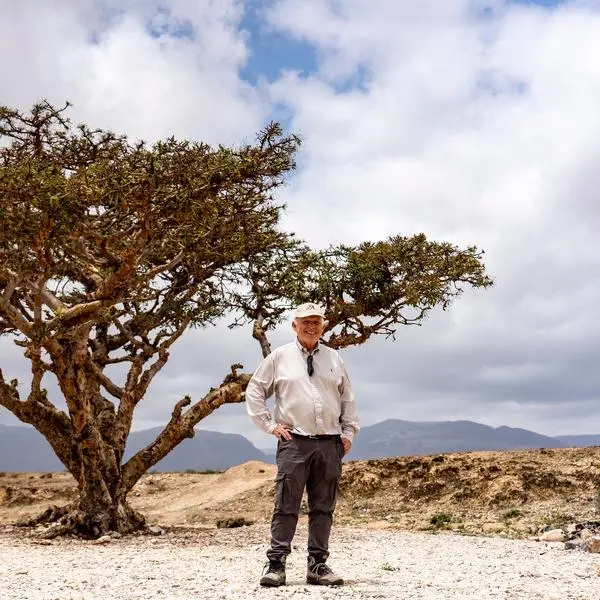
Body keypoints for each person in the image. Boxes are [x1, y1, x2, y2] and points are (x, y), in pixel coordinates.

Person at [245, 302, 359, 587]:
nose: (311, 326)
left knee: (324, 506)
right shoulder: (279, 357)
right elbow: (256, 390)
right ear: (294, 325)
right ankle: (276, 564)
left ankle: (317, 565)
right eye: (305, 321)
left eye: (316, 322)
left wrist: (348, 434)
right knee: (286, 504)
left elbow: (347, 398)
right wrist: (270, 425)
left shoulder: (334, 358)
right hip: (294, 442)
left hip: (330, 443)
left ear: (323, 325)